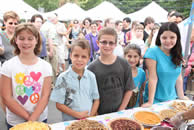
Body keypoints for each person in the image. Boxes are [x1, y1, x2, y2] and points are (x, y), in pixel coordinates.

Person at [1, 23, 52, 129]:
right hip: (16, 121)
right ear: (16, 40)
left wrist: (33, 118)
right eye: (21, 38)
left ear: (36, 40)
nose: (26, 42)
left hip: (39, 118)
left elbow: (45, 96)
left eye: (30, 38)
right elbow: (6, 97)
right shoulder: (8, 66)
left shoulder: (45, 66)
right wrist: (28, 118)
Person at [88, 27, 135, 115]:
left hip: (120, 111)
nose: (107, 46)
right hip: (99, 113)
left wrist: (121, 110)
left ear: (115, 44)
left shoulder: (124, 63)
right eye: (104, 42)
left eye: (111, 43)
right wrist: (95, 113)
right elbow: (89, 96)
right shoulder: (91, 68)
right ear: (98, 43)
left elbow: (129, 89)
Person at [50, 39, 100, 121]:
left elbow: (96, 99)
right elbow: (59, 104)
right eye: (76, 55)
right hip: (70, 121)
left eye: (83, 56)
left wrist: (91, 116)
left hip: (88, 120)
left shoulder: (91, 76)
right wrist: (77, 115)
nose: (79, 59)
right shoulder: (63, 78)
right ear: (70, 56)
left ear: (88, 58)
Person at [142, 22, 188, 107]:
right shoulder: (152, 52)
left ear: (177, 38)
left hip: (172, 98)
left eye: (172, 37)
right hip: (155, 99)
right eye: (164, 37)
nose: (168, 41)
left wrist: (181, 96)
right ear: (159, 37)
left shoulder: (178, 53)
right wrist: (150, 102)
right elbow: (152, 78)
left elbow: (178, 77)